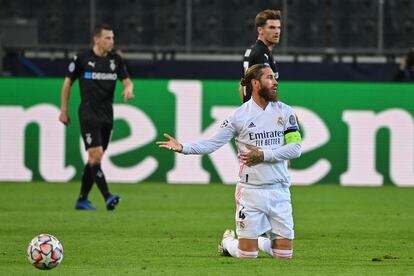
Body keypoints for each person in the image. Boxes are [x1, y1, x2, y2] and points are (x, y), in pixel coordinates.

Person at [157, 64, 302, 259]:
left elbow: (295, 148)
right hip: (251, 192)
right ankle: (228, 243)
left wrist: (263, 155)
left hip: (280, 190)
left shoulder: (285, 112)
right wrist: (184, 148)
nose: (275, 82)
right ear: (255, 83)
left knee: (284, 254)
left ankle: (258, 241)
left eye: (275, 78)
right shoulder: (239, 116)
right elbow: (212, 143)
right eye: (269, 78)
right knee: (246, 255)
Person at [59, 24, 135, 211]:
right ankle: (108, 196)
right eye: (108, 38)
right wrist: (64, 109)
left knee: (95, 160)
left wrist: (128, 89)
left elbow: (127, 82)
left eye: (113, 38)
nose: (112, 41)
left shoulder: (115, 60)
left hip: (107, 115)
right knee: (95, 154)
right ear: (97, 39)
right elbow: (67, 84)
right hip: (88, 113)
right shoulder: (82, 59)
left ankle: (82, 199)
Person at [240, 9, 282, 103]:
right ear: (260, 30)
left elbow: (243, 86)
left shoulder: (254, 50)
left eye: (278, 27)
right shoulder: (261, 53)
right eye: (272, 27)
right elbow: (264, 89)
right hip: (259, 111)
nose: (277, 31)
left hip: (251, 109)